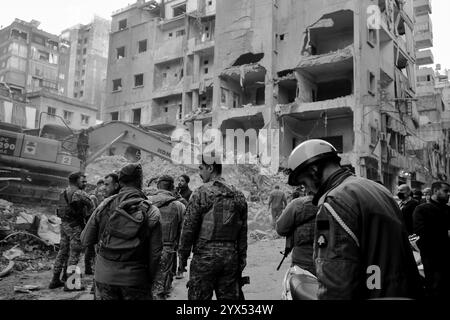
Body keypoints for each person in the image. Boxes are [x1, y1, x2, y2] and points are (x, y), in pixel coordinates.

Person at [286, 139, 423, 300]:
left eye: (304, 183)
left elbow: (335, 278)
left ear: (314, 170)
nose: (307, 190)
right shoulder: (378, 189)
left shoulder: (334, 201)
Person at [81, 163, 163, 300]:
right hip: (135, 279)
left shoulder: (105, 204)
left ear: (119, 182)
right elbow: (155, 254)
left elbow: (85, 239)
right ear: (140, 181)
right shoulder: (152, 211)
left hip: (104, 278)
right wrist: (148, 279)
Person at [178, 157, 248, 300]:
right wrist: (241, 259)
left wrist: (183, 257)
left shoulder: (200, 193)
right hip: (230, 259)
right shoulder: (238, 195)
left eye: (201, 168)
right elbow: (243, 232)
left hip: (204, 258)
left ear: (210, 168)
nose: (199, 173)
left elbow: (188, 229)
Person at [49, 172, 94, 290]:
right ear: (76, 181)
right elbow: (92, 206)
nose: (85, 183)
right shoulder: (79, 193)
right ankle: (71, 284)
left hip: (64, 225)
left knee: (62, 252)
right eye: (82, 181)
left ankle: (55, 280)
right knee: (74, 253)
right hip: (74, 226)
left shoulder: (63, 192)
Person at [148, 175, 185, 299]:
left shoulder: (146, 201)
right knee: (160, 288)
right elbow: (182, 232)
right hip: (167, 250)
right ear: (172, 187)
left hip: (145, 248)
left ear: (158, 186)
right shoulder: (179, 206)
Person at [413, 181, 450, 299]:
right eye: (445, 191)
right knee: (435, 291)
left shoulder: (448, 210)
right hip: (434, 261)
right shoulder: (422, 210)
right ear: (435, 191)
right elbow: (422, 236)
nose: (448, 194)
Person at [275, 191, 318, 275]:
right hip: (330, 263)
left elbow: (280, 229)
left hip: (303, 262)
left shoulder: (297, 204)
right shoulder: (334, 202)